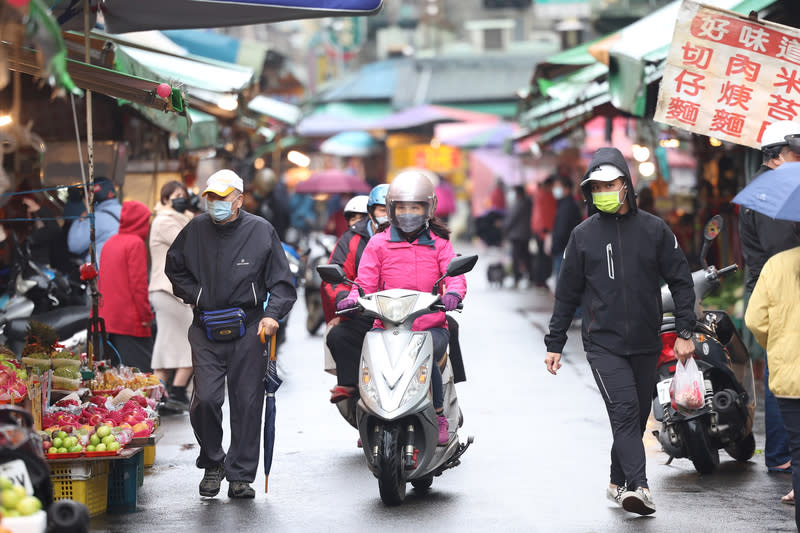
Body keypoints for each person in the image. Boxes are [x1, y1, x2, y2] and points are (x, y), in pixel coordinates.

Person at [543, 147, 696, 516]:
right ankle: (639, 487)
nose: (604, 191)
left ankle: (616, 481)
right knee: (626, 410)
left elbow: (680, 280)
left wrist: (686, 332)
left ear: (626, 185)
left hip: (647, 340)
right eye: (597, 187)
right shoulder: (582, 236)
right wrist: (555, 342)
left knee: (635, 412)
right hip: (602, 344)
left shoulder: (655, 230)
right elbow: (566, 294)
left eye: (611, 184)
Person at [165, 169, 296, 500]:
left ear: (239, 199)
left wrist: (271, 315)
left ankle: (241, 475)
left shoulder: (261, 230)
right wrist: (197, 295)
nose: (215, 204)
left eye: (222, 198)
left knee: (247, 403)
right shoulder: (195, 228)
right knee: (205, 400)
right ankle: (213, 462)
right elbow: (174, 267)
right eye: (211, 197)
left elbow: (282, 284)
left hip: (250, 328)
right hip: (205, 325)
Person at [336, 169, 467, 445]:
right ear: (393, 209)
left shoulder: (440, 244)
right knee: (370, 358)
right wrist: (352, 297)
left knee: (424, 351)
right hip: (386, 323)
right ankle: (370, 416)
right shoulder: (378, 243)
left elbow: (455, 275)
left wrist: (454, 292)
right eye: (404, 207)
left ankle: (440, 414)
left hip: (429, 325)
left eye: (415, 207)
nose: (409, 213)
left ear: (428, 208)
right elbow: (365, 281)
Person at [739, 120, 800, 487]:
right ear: (776, 157)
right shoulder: (772, 195)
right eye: (796, 154)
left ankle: (783, 455)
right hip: (778, 290)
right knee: (785, 370)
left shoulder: (766, 188)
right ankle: (782, 457)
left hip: (771, 288)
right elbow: (782, 253)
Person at [745, 225, 800, 525]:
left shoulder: (775, 265)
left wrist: (777, 346)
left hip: (790, 379)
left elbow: (755, 320)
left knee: (798, 454)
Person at [324, 185, 388, 401]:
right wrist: (345, 300)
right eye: (381, 209)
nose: (386, 215)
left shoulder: (417, 238)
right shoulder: (352, 240)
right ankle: (353, 390)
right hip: (366, 312)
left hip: (407, 314)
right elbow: (341, 276)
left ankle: (440, 408)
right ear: (371, 212)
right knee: (338, 335)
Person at [148, 181, 194, 413]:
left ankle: (158, 394)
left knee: (167, 343)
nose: (181, 199)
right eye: (176, 195)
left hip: (169, 291)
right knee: (191, 340)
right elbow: (191, 244)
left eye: (183, 195)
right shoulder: (165, 221)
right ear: (165, 199)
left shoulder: (178, 218)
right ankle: (175, 392)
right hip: (168, 291)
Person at [98, 201, 155, 372]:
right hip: (129, 319)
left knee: (113, 375)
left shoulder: (110, 243)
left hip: (108, 317)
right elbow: (138, 285)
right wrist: (146, 315)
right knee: (141, 373)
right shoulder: (135, 244)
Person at [67, 177, 121, 269]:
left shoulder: (95, 219)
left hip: (103, 274)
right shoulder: (125, 212)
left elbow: (74, 245)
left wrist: (79, 220)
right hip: (124, 271)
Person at [550, 177, 582, 283]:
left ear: (567, 189)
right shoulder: (565, 204)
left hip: (563, 250)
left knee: (561, 283)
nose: (554, 189)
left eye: (557, 187)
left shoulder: (567, 206)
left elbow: (562, 231)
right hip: (565, 249)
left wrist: (554, 247)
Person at [503, 185, 533, 288]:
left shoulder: (520, 203)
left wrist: (504, 228)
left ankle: (517, 277)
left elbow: (512, 218)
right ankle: (530, 276)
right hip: (525, 234)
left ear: (518, 193)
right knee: (525, 256)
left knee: (517, 257)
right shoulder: (527, 202)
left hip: (518, 235)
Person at [531, 176, 557, 286]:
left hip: (540, 230)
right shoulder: (546, 196)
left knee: (541, 257)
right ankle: (543, 280)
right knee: (544, 258)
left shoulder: (538, 194)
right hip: (545, 231)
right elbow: (546, 215)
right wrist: (546, 231)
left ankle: (540, 280)